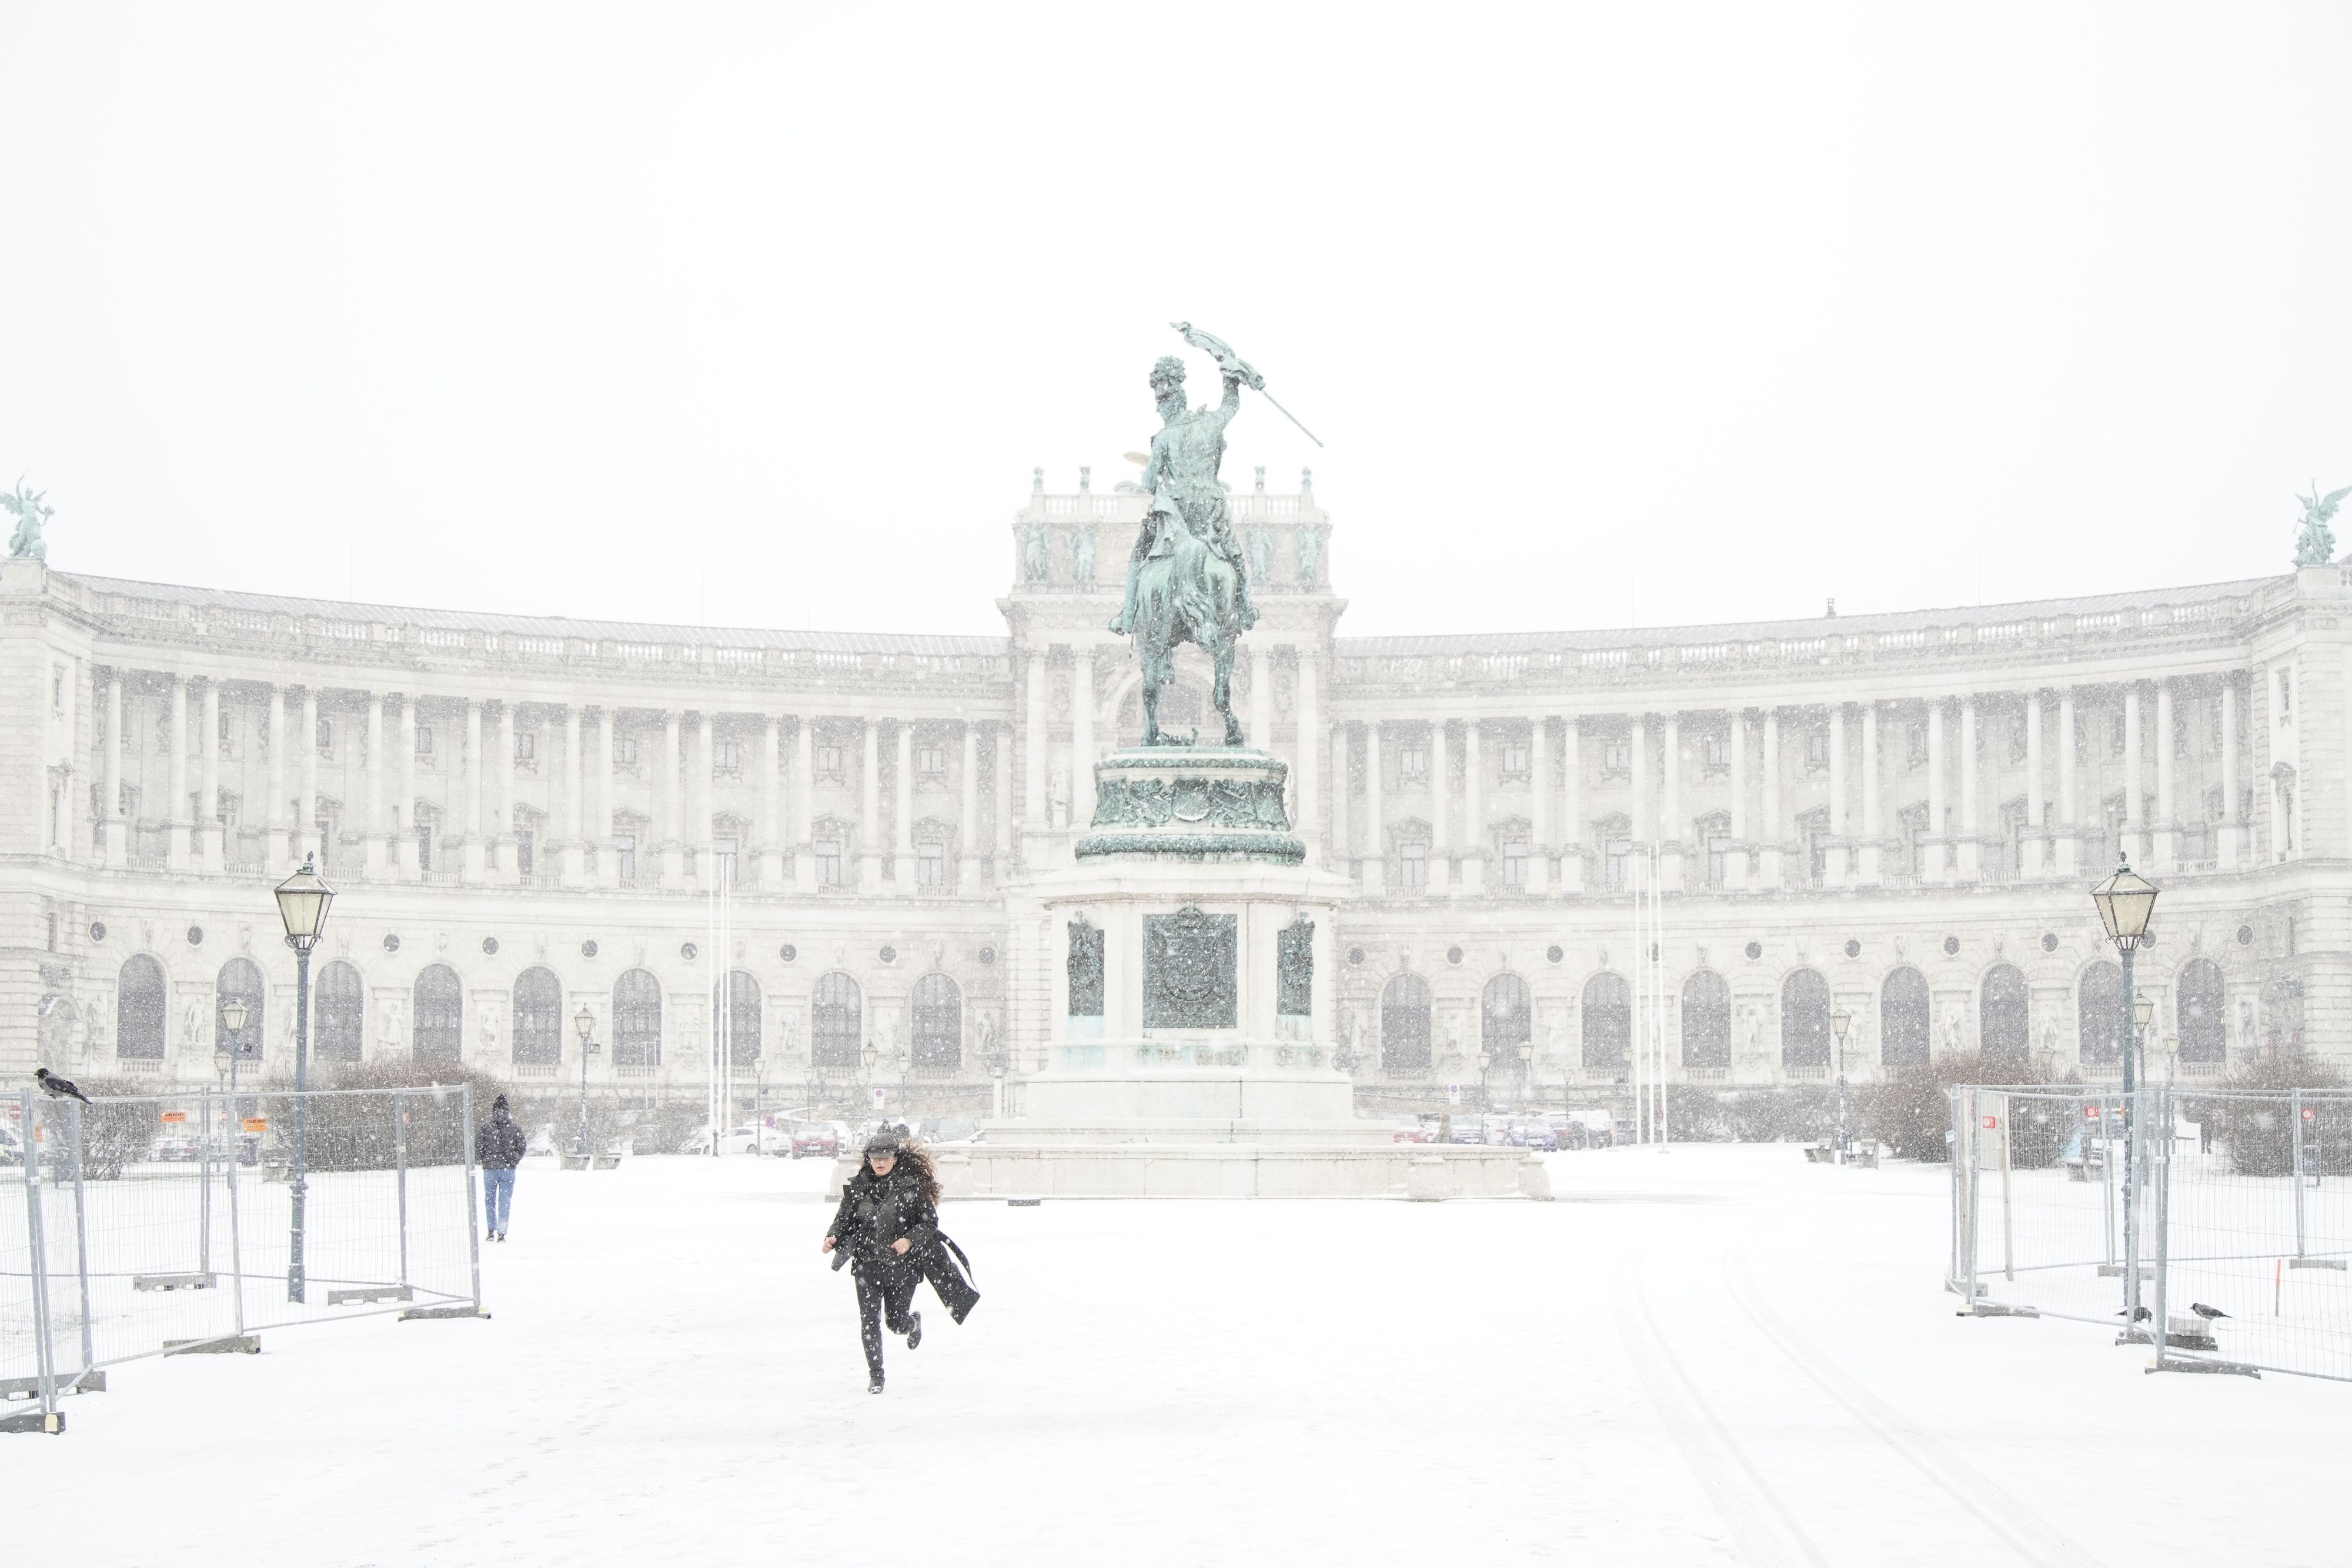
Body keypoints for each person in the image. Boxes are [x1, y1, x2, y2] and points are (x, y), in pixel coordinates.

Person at [821, 1129, 978, 1394]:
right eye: (874, 1156)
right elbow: (844, 1219)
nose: (880, 1161)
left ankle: (912, 1324)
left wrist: (909, 1240)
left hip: (901, 1269)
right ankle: (877, 1375)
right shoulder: (858, 1188)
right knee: (869, 1322)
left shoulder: (912, 1188)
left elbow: (930, 1222)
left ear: (895, 1158)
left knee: (895, 1324)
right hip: (866, 1267)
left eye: (885, 1156)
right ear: (868, 1158)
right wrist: (833, 1236)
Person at [476, 1094, 527, 1242]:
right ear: (508, 1110)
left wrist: (485, 1159)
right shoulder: (514, 1127)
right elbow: (522, 1147)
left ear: (493, 1110)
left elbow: (479, 1147)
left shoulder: (486, 1127)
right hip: (508, 1169)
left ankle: (491, 1230)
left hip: (490, 1169)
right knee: (505, 1200)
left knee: (490, 1199)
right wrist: (513, 1160)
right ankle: (502, 1232)